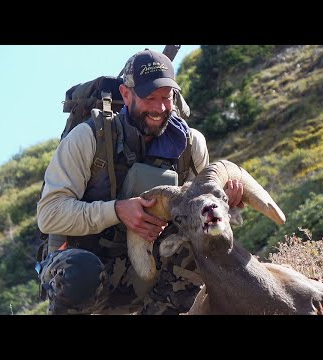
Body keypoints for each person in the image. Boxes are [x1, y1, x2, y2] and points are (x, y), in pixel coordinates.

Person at [36, 48, 244, 315]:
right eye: (149, 97)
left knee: (198, 252)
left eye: (166, 97)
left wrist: (225, 202)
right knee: (81, 272)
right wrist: (117, 210)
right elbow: (49, 215)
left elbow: (199, 213)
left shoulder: (191, 146)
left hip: (148, 267)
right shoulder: (88, 138)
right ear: (126, 94)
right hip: (81, 266)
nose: (159, 108)